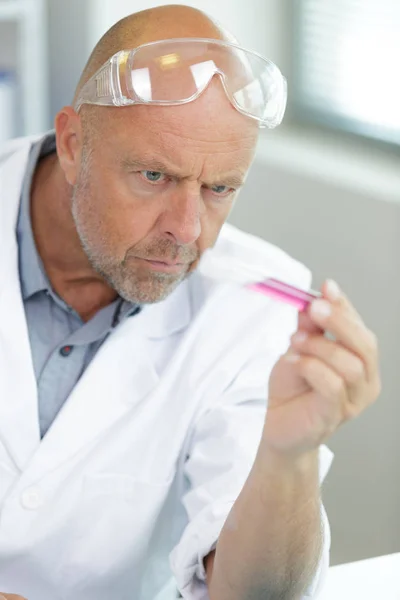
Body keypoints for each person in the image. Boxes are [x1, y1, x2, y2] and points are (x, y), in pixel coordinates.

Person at [0, 4, 381, 600]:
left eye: (219, 188)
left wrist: (290, 454)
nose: (187, 230)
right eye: (154, 175)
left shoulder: (258, 310)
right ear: (74, 144)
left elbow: (253, 593)